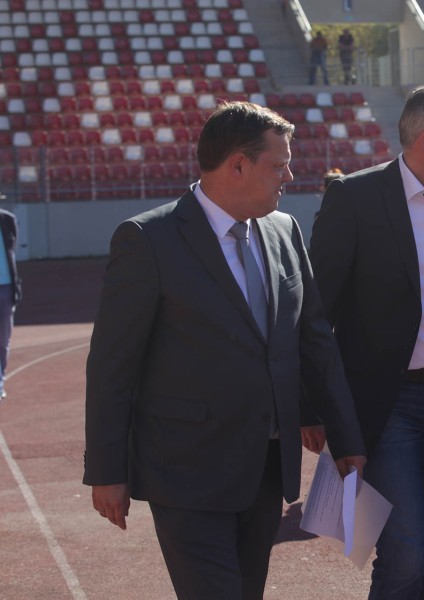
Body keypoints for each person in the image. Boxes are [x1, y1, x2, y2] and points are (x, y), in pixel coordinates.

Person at [83, 101, 366, 600]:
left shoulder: (284, 230)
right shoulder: (148, 240)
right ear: (238, 164)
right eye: (278, 165)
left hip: (265, 469)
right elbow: (112, 366)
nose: (289, 175)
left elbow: (314, 340)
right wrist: (107, 470)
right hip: (186, 472)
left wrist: (347, 440)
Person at [308, 83, 424, 600]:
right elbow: (314, 311)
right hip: (392, 405)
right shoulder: (355, 198)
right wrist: (313, 407)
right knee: (405, 555)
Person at [0, 206, 21, 401]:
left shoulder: (7, 219)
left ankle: (0, 382)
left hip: (6, 287)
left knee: (3, 340)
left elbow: (11, 251)